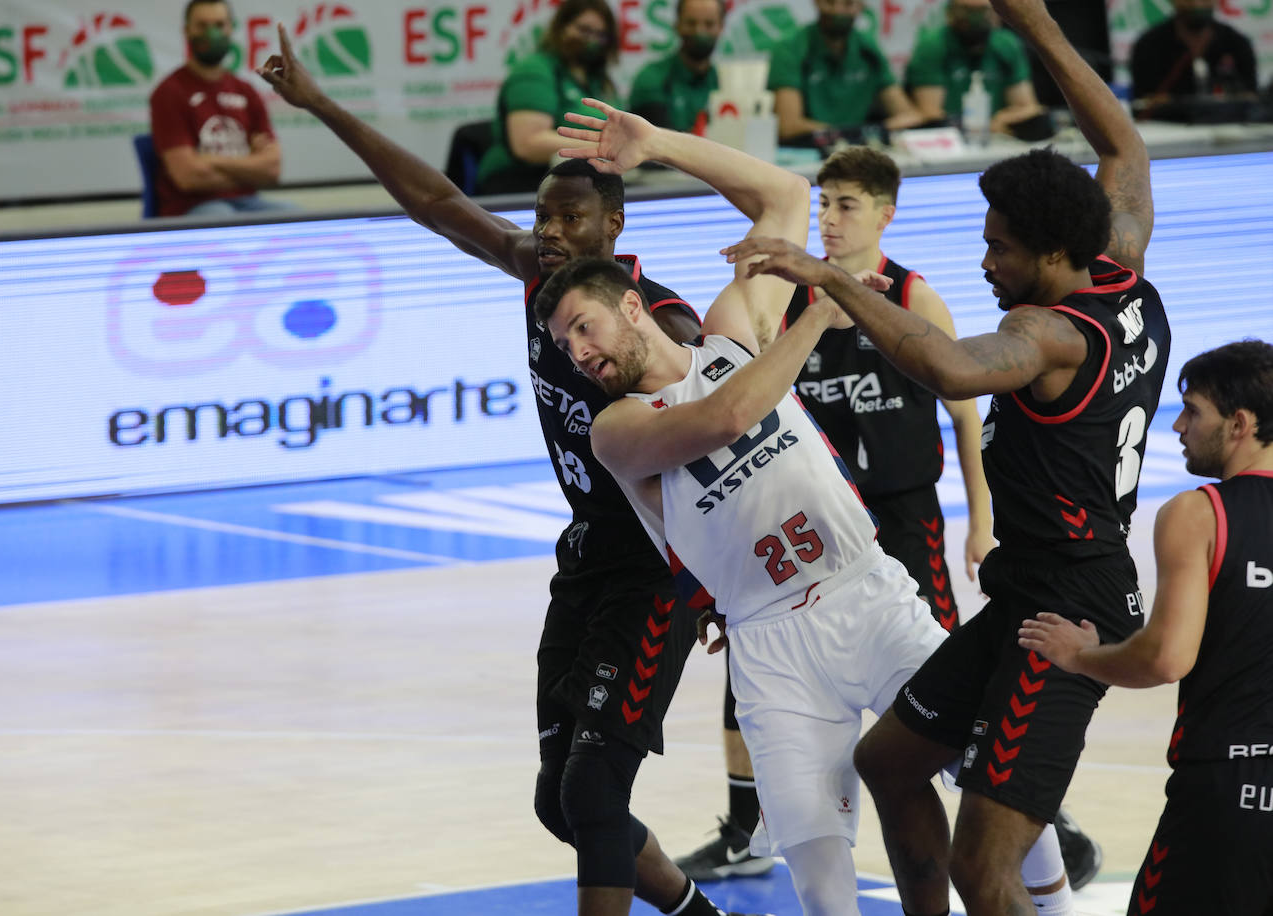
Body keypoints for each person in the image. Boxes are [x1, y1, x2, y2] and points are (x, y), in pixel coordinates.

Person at [257, 28, 775, 916]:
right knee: (557, 802)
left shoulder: (667, 326)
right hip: (587, 557)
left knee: (592, 794)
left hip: (657, 571)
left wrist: (729, 579)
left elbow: (737, 435)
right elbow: (438, 201)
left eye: (571, 219)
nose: (550, 233)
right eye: (542, 218)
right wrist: (323, 106)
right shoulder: (540, 280)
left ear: (616, 226)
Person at [723, 0, 1171, 909]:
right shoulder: (1121, 265)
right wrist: (1036, 24)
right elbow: (1124, 148)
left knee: (985, 866)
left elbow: (951, 370)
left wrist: (832, 279)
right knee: (887, 760)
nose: (983, 263)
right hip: (1028, 587)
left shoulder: (1049, 336)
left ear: (1053, 253)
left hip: (1068, 608)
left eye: (998, 250)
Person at [535, 97, 960, 916]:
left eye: (584, 329)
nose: (578, 354)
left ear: (630, 303)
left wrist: (657, 145)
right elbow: (730, 416)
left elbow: (785, 200)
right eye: (563, 347)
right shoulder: (619, 429)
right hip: (769, 640)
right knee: (821, 880)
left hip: (865, 591)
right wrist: (824, 305)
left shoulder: (731, 332)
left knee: (982, 772)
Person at [676, 145, 1103, 895]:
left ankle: (1040, 821)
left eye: (847, 205)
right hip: (814, 529)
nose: (832, 220)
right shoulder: (794, 302)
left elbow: (968, 416)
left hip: (899, 529)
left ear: (885, 214)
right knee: (750, 684)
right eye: (826, 204)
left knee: (946, 698)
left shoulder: (913, 296)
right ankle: (747, 830)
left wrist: (982, 520)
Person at [1019, 339, 1273, 916]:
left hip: (1224, 790)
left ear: (1240, 423)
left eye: (1192, 411)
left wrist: (1082, 655)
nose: (1178, 425)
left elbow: (1165, 658)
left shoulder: (1199, 512)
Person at [149, 0, 288, 218]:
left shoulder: (246, 91)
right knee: (223, 219)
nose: (211, 33)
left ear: (230, 28)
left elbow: (272, 170)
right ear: (187, 31)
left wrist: (208, 160)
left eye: (219, 25)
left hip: (247, 201)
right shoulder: (169, 93)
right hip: (191, 208)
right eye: (202, 26)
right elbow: (188, 177)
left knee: (295, 217)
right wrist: (251, 166)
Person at [476, 0, 623, 196]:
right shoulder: (535, 69)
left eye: (600, 35)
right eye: (584, 30)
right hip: (521, 181)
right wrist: (605, 149)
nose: (591, 40)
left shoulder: (598, 80)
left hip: (584, 179)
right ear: (562, 26)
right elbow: (528, 144)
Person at [766, 0, 922, 145]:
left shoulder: (868, 49)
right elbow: (788, 125)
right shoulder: (791, 48)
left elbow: (907, 115)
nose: (837, 10)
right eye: (830, 2)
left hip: (857, 149)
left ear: (860, 5)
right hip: (808, 151)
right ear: (817, 2)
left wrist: (876, 132)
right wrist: (849, 134)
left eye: (848, 3)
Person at [904, 0, 1049, 138]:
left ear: (996, 13)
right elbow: (930, 113)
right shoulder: (933, 45)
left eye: (982, 10)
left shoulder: (1006, 44)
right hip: (953, 139)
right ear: (950, 12)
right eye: (967, 10)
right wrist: (984, 125)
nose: (975, 18)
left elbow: (1027, 107)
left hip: (998, 137)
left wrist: (1002, 119)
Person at [1129, 0, 1259, 118]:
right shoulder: (1149, 45)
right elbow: (1143, 101)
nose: (1198, 4)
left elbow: (1251, 96)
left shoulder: (1236, 43)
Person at [628, 0, 725, 134]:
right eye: (691, 23)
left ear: (721, 27)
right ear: (677, 25)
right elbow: (658, 143)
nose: (700, 32)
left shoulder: (725, 82)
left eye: (709, 24)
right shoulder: (652, 78)